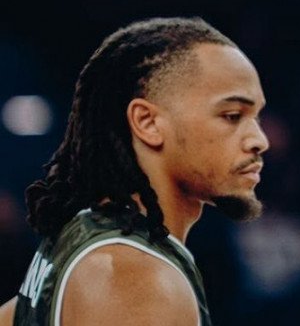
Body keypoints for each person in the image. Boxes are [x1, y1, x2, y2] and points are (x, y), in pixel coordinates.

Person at [0, 17, 269, 326]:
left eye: (255, 117)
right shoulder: (137, 281)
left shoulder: (84, 233)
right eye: (231, 115)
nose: (259, 140)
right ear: (147, 123)